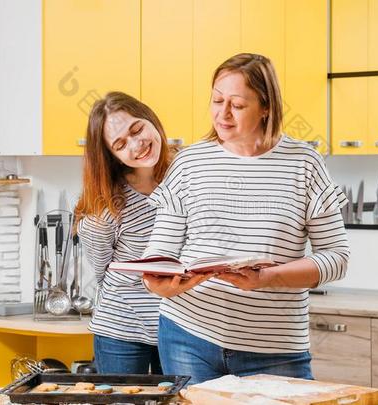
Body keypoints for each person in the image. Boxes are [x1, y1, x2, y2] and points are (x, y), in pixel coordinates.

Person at [143, 53, 350, 385]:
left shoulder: (304, 163)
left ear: (266, 107)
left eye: (237, 105)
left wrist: (269, 277)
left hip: (275, 349)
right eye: (216, 100)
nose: (222, 114)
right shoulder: (188, 163)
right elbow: (159, 254)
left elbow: (337, 259)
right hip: (188, 335)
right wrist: (158, 283)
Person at [75, 91, 173, 374]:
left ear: (150, 119)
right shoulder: (106, 208)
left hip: (182, 326)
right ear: (113, 156)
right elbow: (104, 271)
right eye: (121, 143)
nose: (137, 144)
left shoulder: (186, 173)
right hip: (122, 328)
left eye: (137, 128)